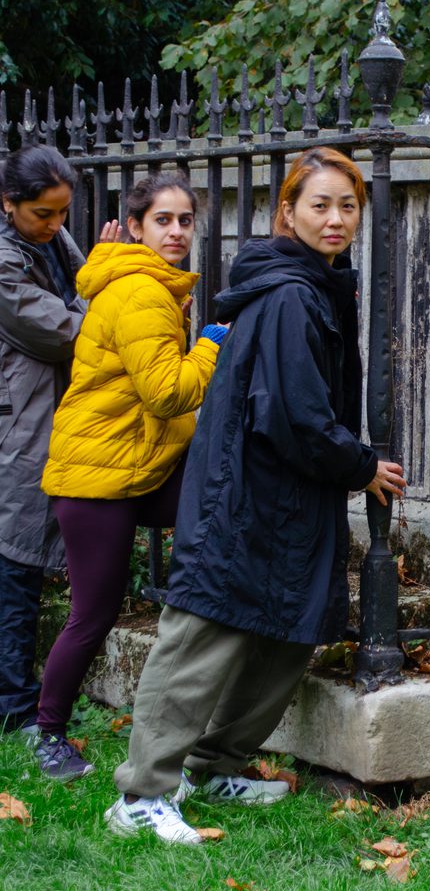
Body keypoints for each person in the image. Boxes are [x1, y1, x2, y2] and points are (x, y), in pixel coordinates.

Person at [104, 146, 406, 844]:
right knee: (201, 636)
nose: (336, 219)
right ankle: (142, 795)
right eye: (319, 205)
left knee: (285, 638)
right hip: (244, 495)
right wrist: (361, 465)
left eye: (348, 206)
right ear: (287, 213)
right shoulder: (290, 294)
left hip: (290, 498)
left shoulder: (319, 283)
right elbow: (295, 414)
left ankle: (215, 767)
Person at [36, 171, 225, 781]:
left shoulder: (146, 286)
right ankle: (48, 735)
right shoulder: (142, 291)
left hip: (134, 466)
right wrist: (211, 345)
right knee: (93, 614)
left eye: (185, 220)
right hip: (96, 478)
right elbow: (168, 393)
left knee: (217, 501)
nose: (176, 232)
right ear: (136, 227)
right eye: (162, 220)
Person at [0, 145, 119, 736]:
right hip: (20, 425)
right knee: (15, 563)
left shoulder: (47, 240)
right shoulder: (3, 261)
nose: (54, 224)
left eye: (62, 212)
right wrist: (102, 286)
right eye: (42, 214)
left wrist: (99, 279)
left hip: (50, 417)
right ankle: (15, 707)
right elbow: (71, 331)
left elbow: (88, 293)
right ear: (8, 203)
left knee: (22, 561)